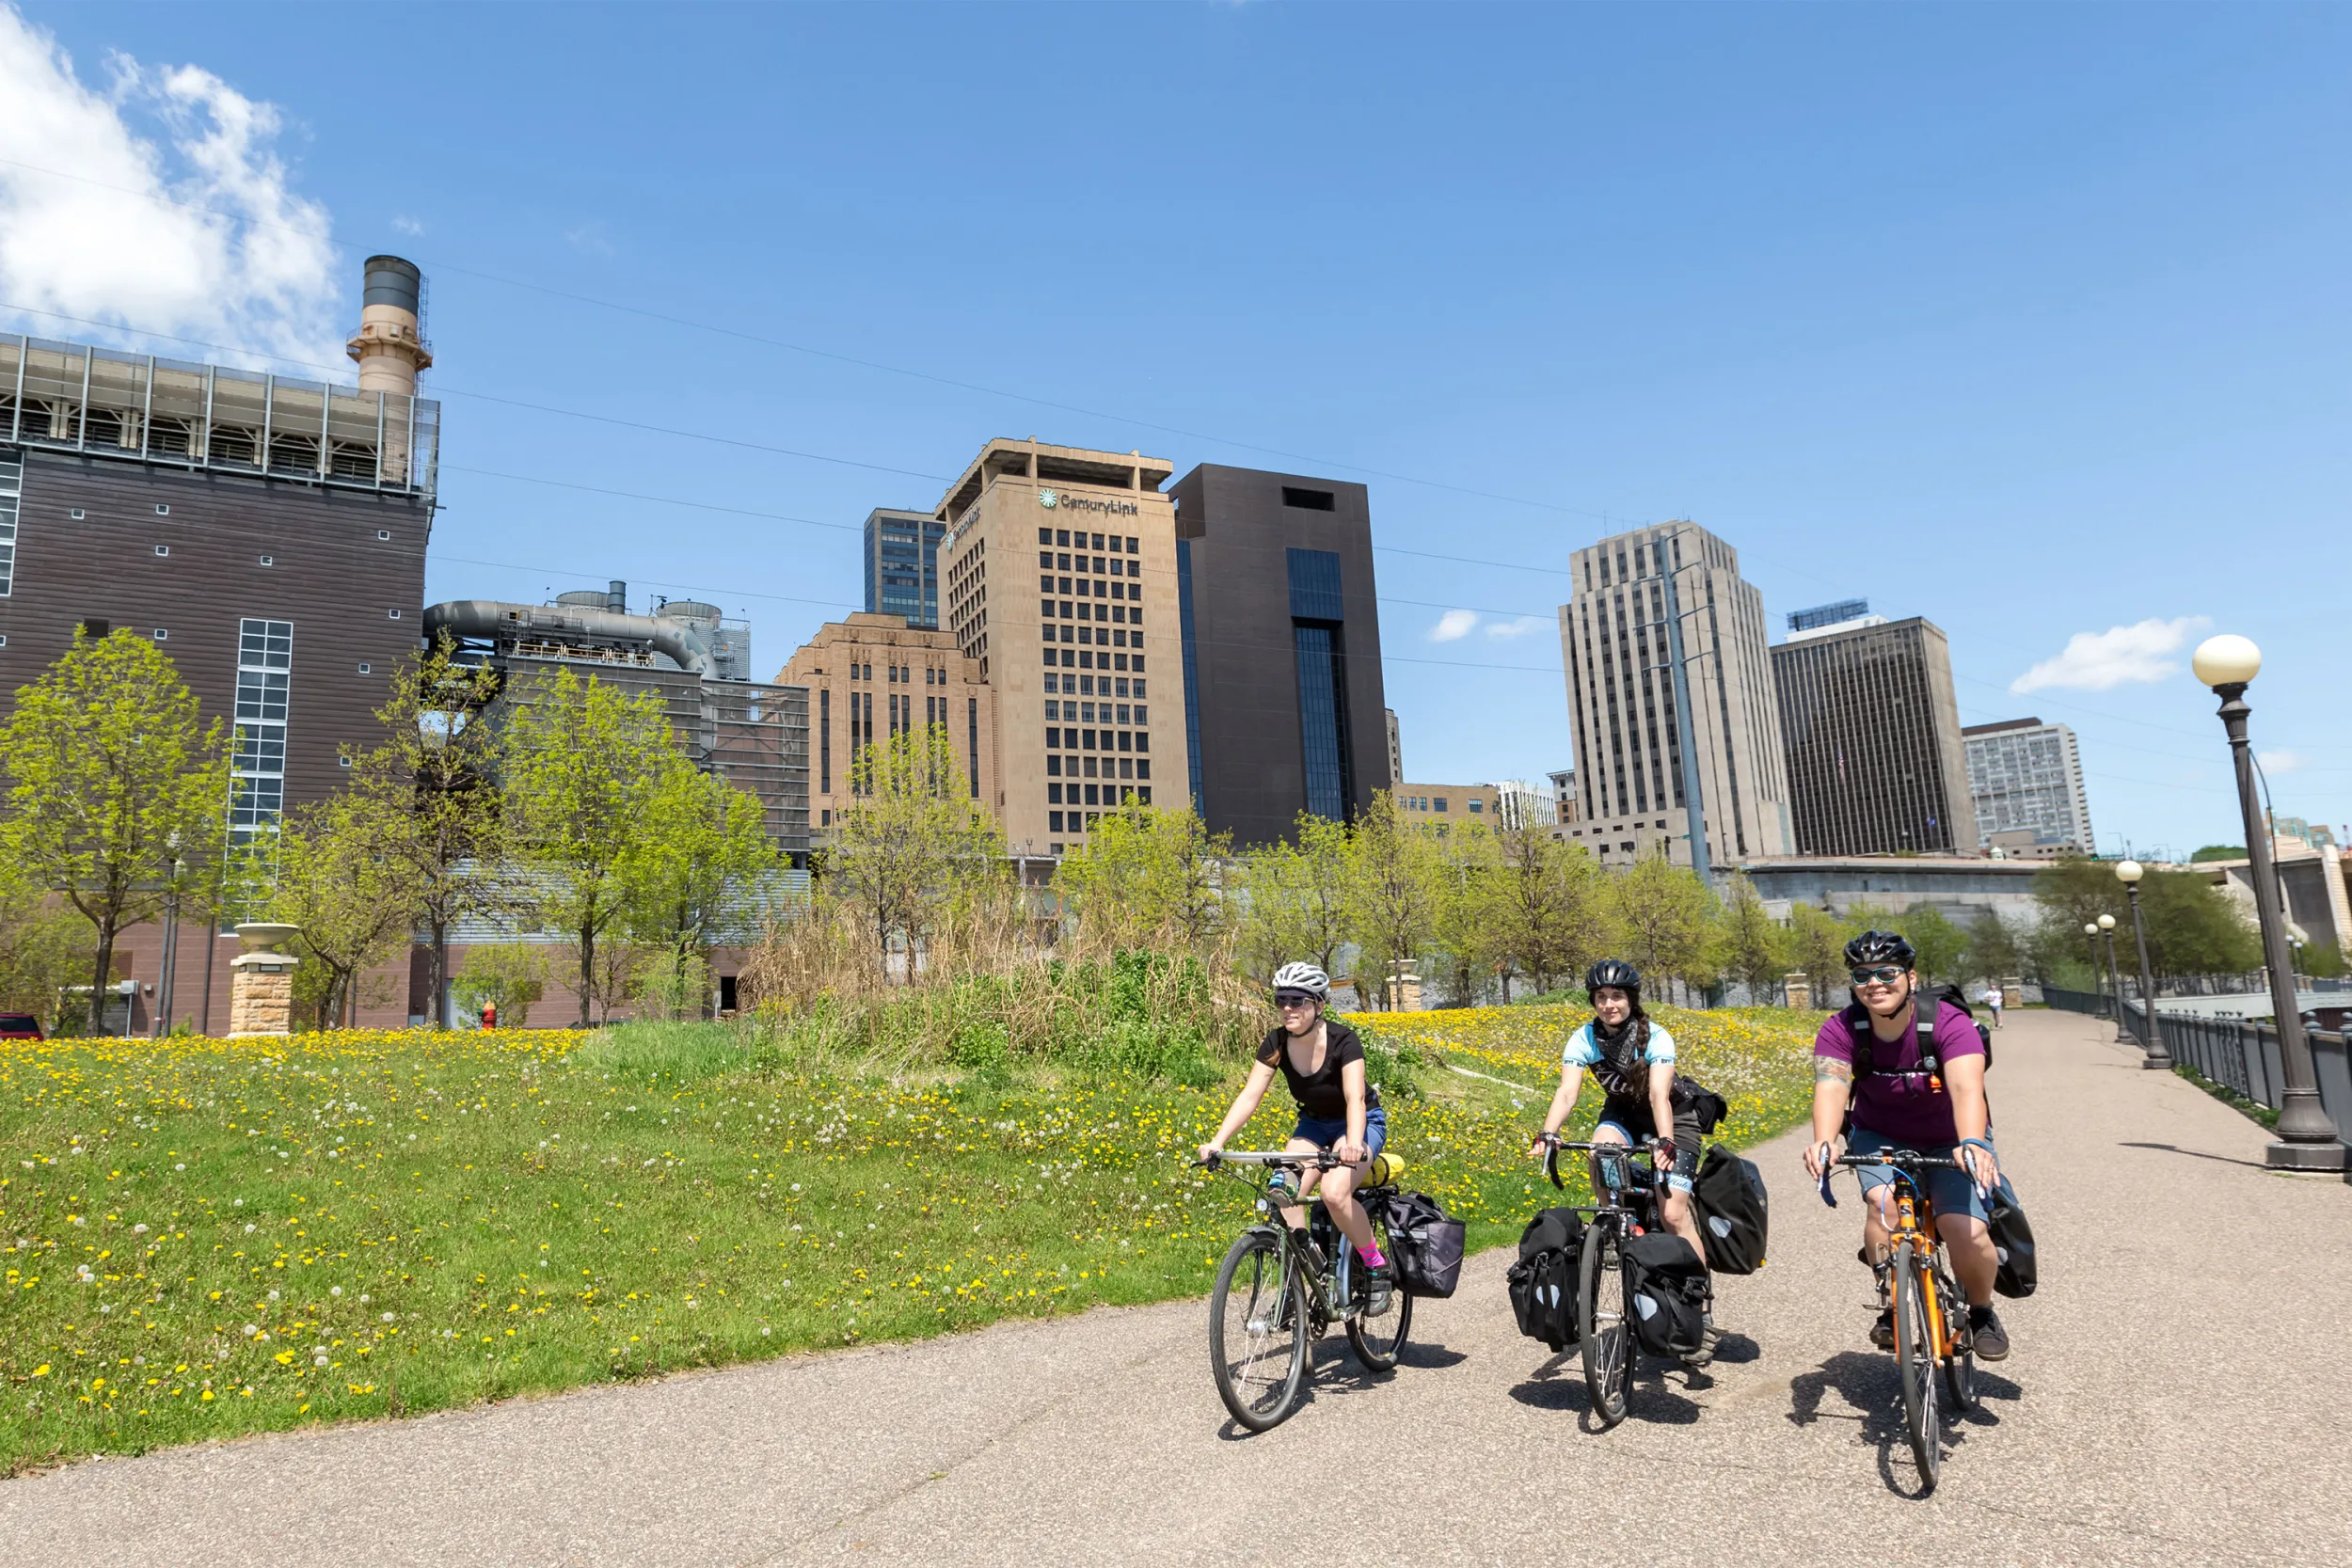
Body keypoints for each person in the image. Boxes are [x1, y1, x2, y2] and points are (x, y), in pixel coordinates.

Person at [1803, 931, 2010, 1360]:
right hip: (1880, 1134)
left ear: (1911, 978)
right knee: (1886, 1207)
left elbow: (1967, 1089)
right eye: (1862, 975)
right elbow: (1831, 1086)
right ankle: (1891, 1300)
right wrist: (1823, 1141)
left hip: (1950, 1135)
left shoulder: (1949, 1023)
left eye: (1886, 972)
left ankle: (1982, 1310)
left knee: (1962, 1229)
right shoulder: (1842, 1028)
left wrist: (1972, 1142)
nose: (1874, 983)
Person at [1199, 961, 1391, 1307]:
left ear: (1319, 1005)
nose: (1288, 1008)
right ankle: (1299, 1273)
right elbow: (1250, 1095)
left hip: (1360, 1123)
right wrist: (1217, 1141)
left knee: (1334, 1193)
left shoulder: (1344, 1041)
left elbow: (1355, 1098)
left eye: (1298, 1001)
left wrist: (1352, 1142)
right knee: (1281, 1189)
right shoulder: (1276, 1042)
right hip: (1314, 1125)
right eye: (1281, 1000)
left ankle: (1376, 1266)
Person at [1529, 958, 1712, 1286]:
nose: (1608, 1004)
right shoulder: (1584, 1038)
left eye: (1616, 996)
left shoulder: (1656, 1036)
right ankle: (1613, 1222)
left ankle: (1699, 1299)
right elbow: (1567, 1092)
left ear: (1631, 1000)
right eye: (1600, 997)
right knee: (1600, 1150)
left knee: (1672, 1215)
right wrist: (1548, 1132)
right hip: (1623, 1114)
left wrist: (1666, 1140)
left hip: (1674, 1118)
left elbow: (1659, 1095)